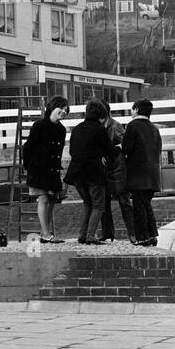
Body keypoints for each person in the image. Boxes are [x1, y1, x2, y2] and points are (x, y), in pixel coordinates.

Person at [63, 99, 117, 245]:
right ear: (102, 115)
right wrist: (117, 149)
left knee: (88, 203)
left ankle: (82, 235)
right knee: (98, 205)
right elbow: (109, 150)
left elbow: (72, 151)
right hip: (94, 173)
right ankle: (90, 235)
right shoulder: (99, 129)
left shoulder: (77, 128)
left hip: (77, 173)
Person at [21, 96, 69, 242]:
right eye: (61, 108)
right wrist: (28, 166)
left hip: (52, 171)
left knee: (52, 201)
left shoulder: (61, 129)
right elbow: (28, 147)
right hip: (38, 169)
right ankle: (46, 234)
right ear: (52, 108)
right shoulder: (39, 125)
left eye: (66, 110)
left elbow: (58, 153)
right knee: (43, 200)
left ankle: (44, 232)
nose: (63, 112)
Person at [121, 99, 163, 247]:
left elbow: (126, 148)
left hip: (138, 174)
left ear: (137, 110)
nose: (131, 112)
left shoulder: (133, 126)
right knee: (146, 205)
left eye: (132, 109)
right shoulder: (154, 128)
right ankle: (152, 236)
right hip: (153, 176)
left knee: (139, 207)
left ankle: (142, 237)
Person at [101, 113, 135, 243]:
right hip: (106, 169)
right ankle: (107, 233)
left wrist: (111, 150)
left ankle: (132, 233)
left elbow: (124, 145)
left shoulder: (115, 126)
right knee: (104, 202)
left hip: (118, 169)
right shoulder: (101, 126)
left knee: (124, 202)